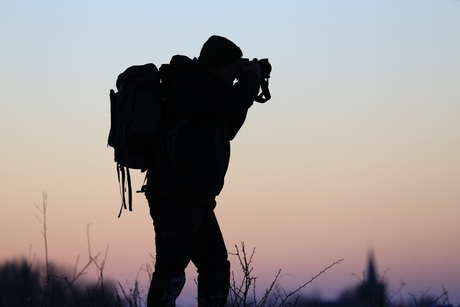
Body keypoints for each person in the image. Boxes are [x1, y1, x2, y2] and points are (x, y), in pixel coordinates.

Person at [145, 35, 261, 306]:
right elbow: (230, 105)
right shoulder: (193, 85)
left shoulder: (209, 91)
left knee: (215, 267)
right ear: (219, 65)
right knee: (171, 267)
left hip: (194, 197)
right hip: (176, 195)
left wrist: (247, 84)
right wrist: (249, 81)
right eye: (234, 66)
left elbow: (228, 126)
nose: (236, 73)